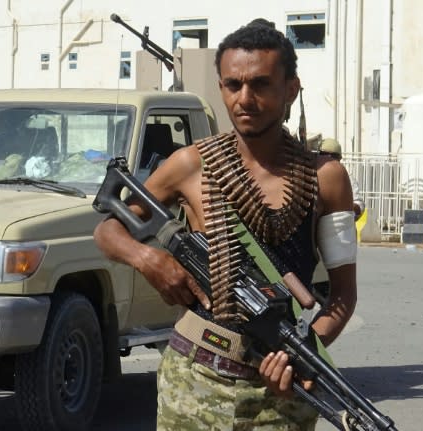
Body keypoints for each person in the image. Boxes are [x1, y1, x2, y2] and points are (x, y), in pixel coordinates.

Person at [93, 19, 357, 430]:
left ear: (291, 89)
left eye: (261, 85)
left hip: (280, 391)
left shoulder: (326, 176)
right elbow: (108, 230)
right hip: (194, 377)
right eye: (233, 85)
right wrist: (151, 260)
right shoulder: (191, 164)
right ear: (220, 88)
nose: (244, 99)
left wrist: (302, 350)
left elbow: (343, 297)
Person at [319, 138, 365, 221]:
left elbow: (359, 205)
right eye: (324, 155)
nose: (328, 160)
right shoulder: (314, 174)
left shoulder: (347, 177)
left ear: (339, 159)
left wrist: (343, 208)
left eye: (333, 157)